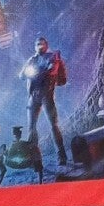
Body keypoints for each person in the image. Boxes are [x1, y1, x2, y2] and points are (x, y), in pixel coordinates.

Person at [22, 36, 68, 166]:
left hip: (46, 95)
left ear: (46, 45)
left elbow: (52, 70)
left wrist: (40, 72)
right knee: (31, 128)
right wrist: (29, 72)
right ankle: (35, 159)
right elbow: (21, 75)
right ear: (35, 46)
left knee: (53, 125)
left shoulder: (51, 57)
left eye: (42, 44)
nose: (40, 46)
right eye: (38, 44)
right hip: (33, 96)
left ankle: (61, 155)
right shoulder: (32, 59)